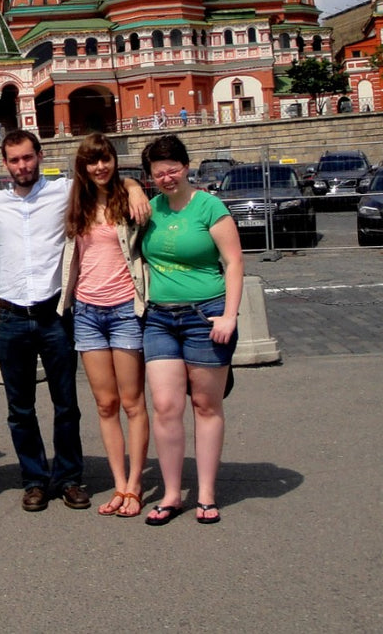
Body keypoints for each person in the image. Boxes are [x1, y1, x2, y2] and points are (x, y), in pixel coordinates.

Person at [0, 130, 151, 514]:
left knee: (67, 403)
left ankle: (69, 477)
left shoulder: (63, 192)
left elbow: (102, 178)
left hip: (54, 313)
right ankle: (33, 479)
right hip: (11, 314)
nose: (22, 166)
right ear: (4, 164)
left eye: (28, 158)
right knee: (20, 408)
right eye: (14, 160)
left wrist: (134, 184)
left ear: (39, 155)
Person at [139, 135, 244, 526]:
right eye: (158, 173)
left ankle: (205, 493)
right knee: (166, 407)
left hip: (206, 316)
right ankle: (170, 494)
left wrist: (230, 315)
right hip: (161, 318)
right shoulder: (150, 209)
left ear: (186, 167)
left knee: (205, 405)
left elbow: (233, 262)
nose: (167, 178)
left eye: (173, 169)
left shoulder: (209, 207)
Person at [61, 134, 149, 518]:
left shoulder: (128, 200)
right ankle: (118, 482)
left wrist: (132, 184)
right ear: (82, 167)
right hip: (87, 313)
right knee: (106, 403)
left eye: (106, 160)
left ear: (115, 161)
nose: (100, 167)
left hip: (124, 310)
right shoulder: (76, 205)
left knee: (132, 403)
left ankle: (135, 484)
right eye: (92, 162)